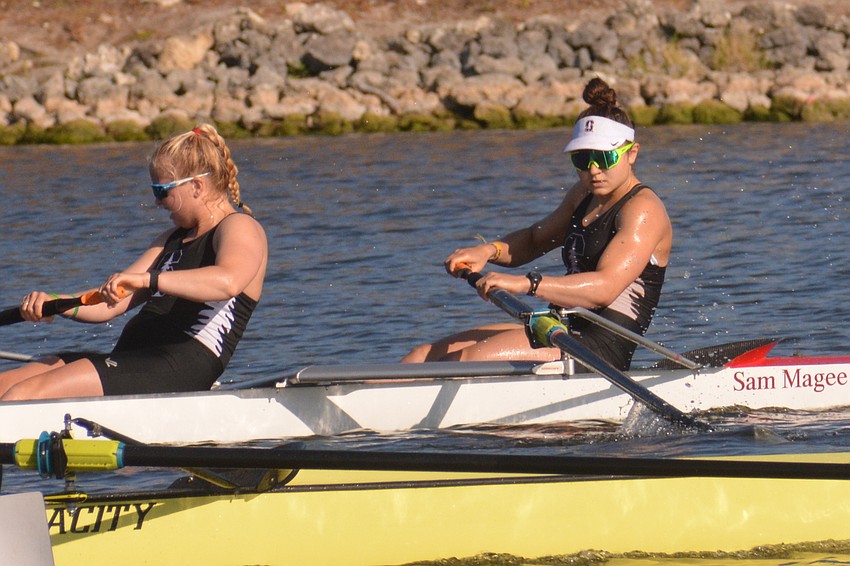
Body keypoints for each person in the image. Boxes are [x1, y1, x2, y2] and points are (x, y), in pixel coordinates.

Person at [402, 78, 671, 371]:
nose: (593, 170)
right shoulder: (584, 194)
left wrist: (526, 284)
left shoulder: (642, 209)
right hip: (559, 325)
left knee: (465, 362)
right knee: (424, 355)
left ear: (632, 153)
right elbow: (534, 240)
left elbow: (605, 288)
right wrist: (487, 251)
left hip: (600, 349)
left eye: (604, 157)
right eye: (582, 159)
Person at [0, 123, 268, 401]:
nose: (157, 202)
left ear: (197, 187)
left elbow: (229, 282)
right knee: (4, 384)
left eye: (161, 190)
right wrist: (54, 302)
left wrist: (148, 279)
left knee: (23, 395)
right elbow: (108, 303)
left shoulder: (239, 227)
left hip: (180, 366)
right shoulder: (170, 239)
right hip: (132, 361)